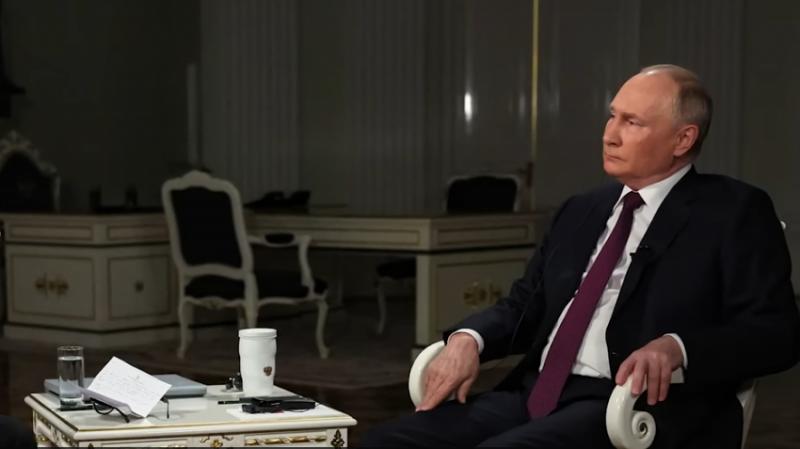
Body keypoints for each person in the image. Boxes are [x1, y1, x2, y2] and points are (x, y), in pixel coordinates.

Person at [361, 64, 800, 448]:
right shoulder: (581, 209)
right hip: (535, 394)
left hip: (632, 407)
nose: (609, 134)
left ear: (683, 139)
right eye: (612, 116)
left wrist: (677, 347)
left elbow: (776, 333)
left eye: (632, 122)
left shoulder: (733, 212)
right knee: (386, 441)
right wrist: (467, 339)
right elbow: (524, 305)